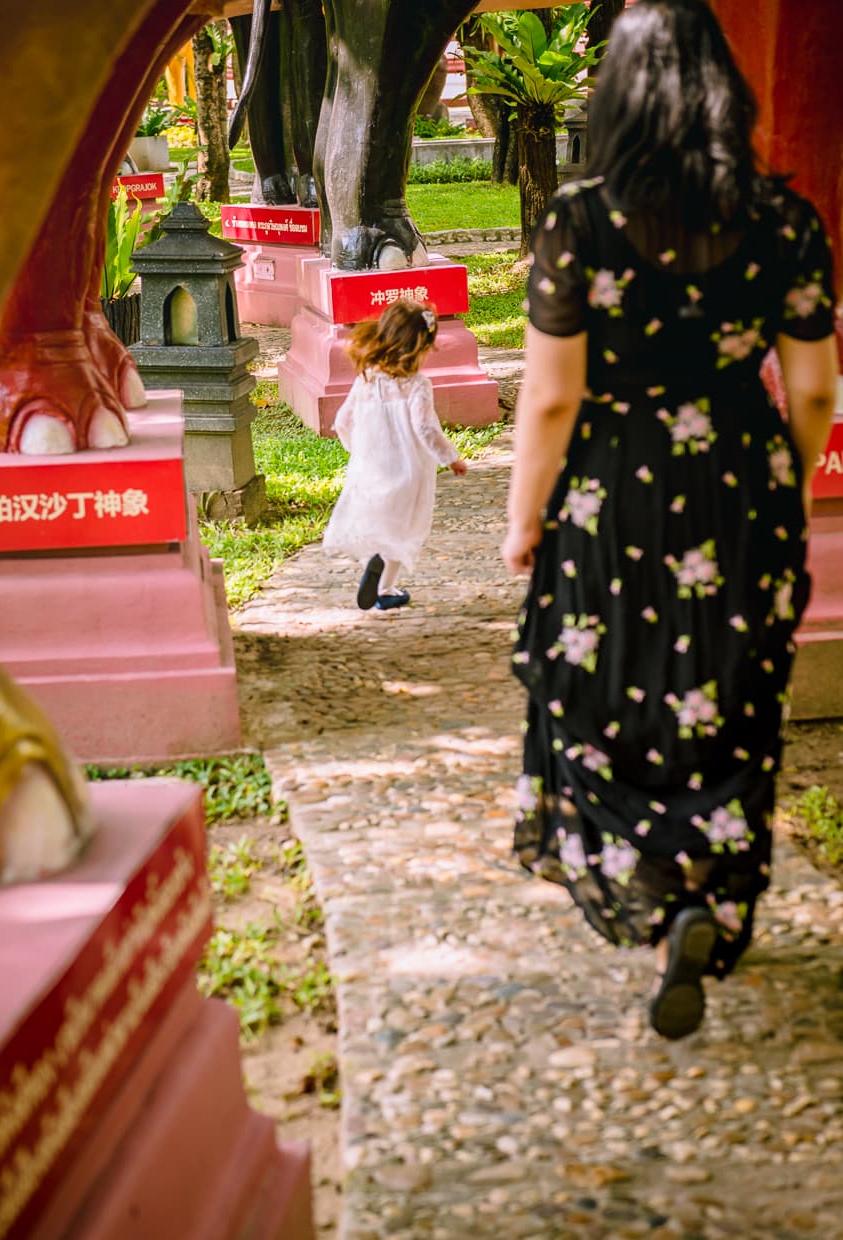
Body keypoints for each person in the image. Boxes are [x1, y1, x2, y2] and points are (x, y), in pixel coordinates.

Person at [502, 0, 838, 1039]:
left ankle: (651, 883)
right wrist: (782, 475)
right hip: (741, 484)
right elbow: (816, 384)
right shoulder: (785, 223)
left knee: (607, 689)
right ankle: (699, 887)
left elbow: (552, 398)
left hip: (613, 491)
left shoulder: (580, 222)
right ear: (720, 96)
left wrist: (524, 521)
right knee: (724, 694)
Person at [323, 300, 468, 610]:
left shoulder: (366, 378)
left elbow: (342, 421)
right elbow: (425, 429)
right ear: (419, 347)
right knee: (400, 531)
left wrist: (357, 449)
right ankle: (386, 588)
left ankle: (376, 566)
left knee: (377, 522)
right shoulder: (417, 386)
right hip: (408, 471)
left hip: (370, 465)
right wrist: (451, 458)